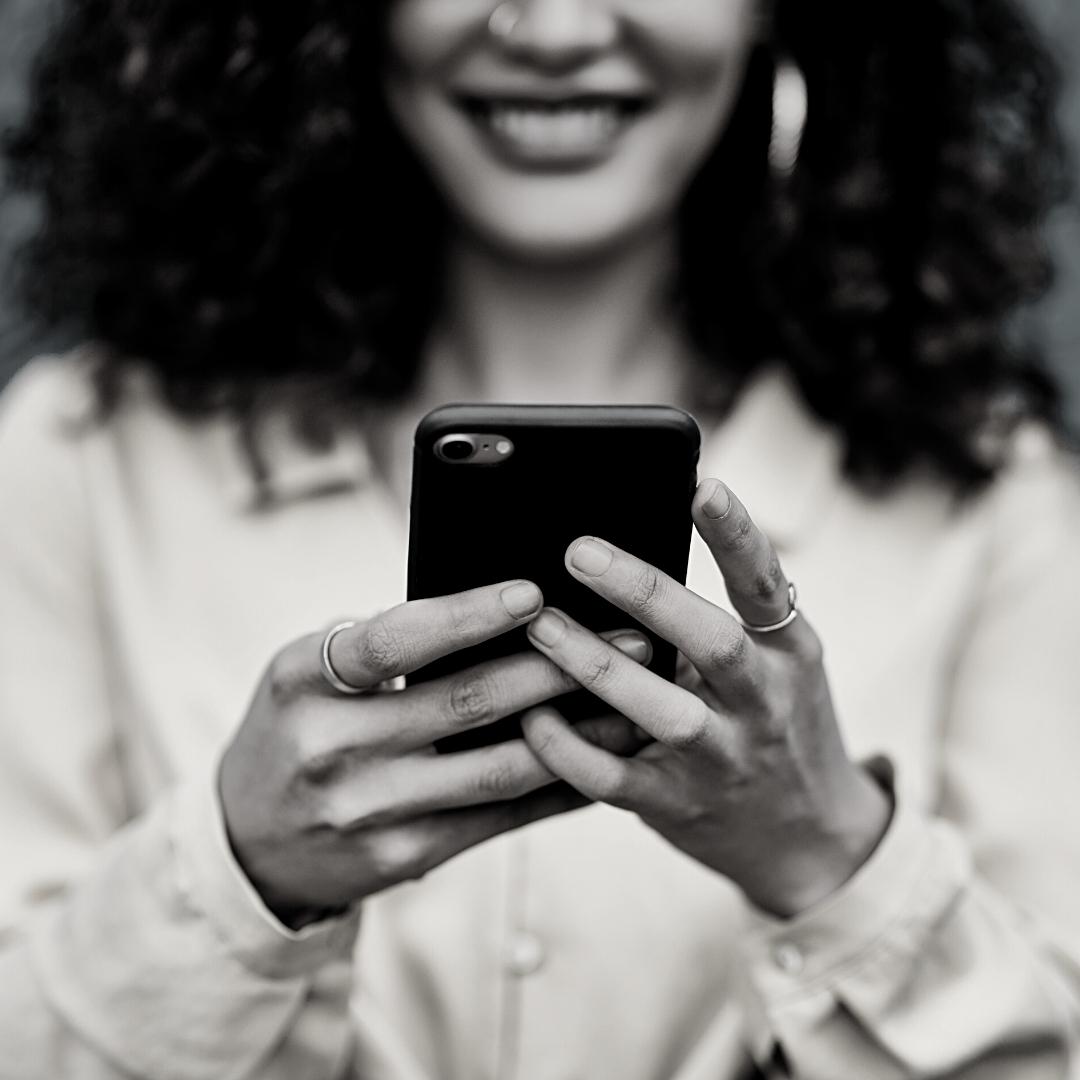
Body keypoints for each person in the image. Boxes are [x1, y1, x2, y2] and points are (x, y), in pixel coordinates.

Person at [1, 1, 1079, 1077]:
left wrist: (833, 858)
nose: (556, 30)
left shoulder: (989, 492)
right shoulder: (81, 456)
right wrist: (236, 880)